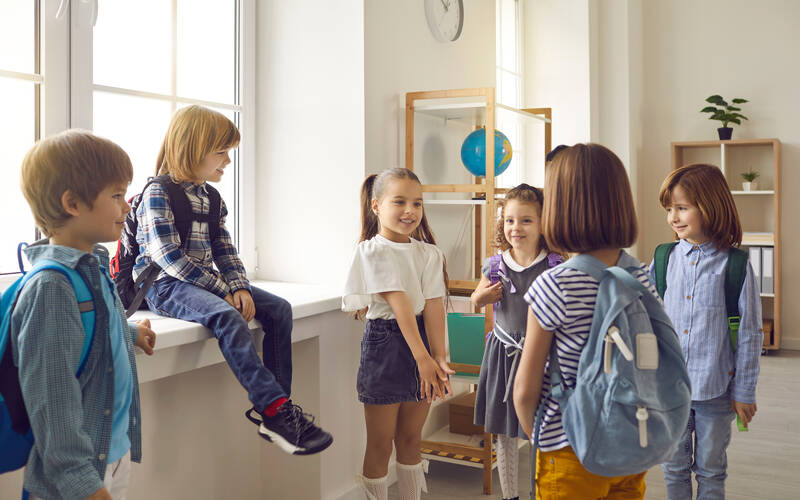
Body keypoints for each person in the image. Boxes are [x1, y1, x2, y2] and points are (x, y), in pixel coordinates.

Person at [135, 105, 332, 455]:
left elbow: (224, 250)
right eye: (222, 152)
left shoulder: (211, 198)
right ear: (194, 149)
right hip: (163, 285)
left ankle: (278, 409)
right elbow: (168, 259)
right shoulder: (157, 193)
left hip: (201, 280)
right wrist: (224, 292)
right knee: (226, 316)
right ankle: (272, 407)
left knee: (280, 310)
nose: (227, 161)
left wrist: (238, 285)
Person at [14, 130, 156, 500]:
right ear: (73, 203)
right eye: (116, 195)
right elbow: (52, 405)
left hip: (110, 454)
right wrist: (84, 485)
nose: (127, 206)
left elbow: (90, 331)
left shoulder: (90, 267)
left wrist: (129, 332)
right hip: (75, 479)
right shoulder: (51, 289)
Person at [513, 143, 655, 499]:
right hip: (630, 442)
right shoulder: (641, 274)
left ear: (559, 208)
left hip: (571, 447)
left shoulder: (555, 284)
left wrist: (542, 436)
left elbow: (525, 390)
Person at [342, 167, 454, 500]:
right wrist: (423, 358)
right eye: (400, 202)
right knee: (380, 442)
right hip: (386, 344)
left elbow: (433, 307)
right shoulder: (372, 250)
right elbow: (399, 302)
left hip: (420, 340)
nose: (410, 211)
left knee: (410, 439)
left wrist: (440, 357)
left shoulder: (429, 253)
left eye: (417, 203)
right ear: (376, 206)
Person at [653, 163, 762, 500]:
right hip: (669, 391)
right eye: (669, 209)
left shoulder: (735, 265)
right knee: (673, 469)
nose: (673, 216)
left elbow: (749, 334)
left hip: (715, 391)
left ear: (710, 206)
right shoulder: (663, 258)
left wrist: (744, 391)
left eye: (682, 207)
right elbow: (649, 323)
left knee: (712, 471)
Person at [471, 183, 562, 500]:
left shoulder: (554, 264)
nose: (516, 228)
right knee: (504, 434)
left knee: (542, 429)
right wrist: (482, 296)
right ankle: (509, 495)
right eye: (509, 220)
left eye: (526, 220)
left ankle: (543, 490)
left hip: (543, 359)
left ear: (542, 223)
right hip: (503, 355)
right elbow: (476, 299)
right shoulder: (496, 265)